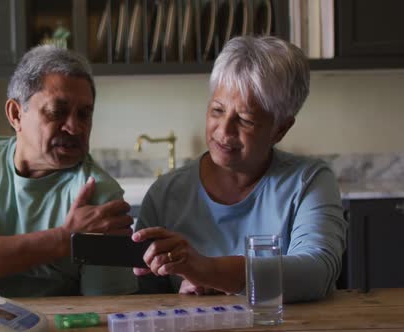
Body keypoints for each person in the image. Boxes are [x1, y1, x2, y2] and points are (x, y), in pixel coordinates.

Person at [132, 36, 348, 303]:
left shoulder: (309, 181)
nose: (224, 131)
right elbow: (145, 295)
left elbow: (318, 272)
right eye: (217, 110)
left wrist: (209, 271)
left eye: (245, 120)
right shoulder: (165, 193)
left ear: (280, 129)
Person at [0, 45, 138, 298]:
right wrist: (64, 240)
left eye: (84, 114)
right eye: (57, 111)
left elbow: (107, 311)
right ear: (15, 114)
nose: (75, 127)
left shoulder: (100, 196)